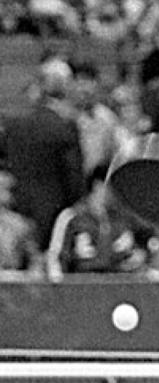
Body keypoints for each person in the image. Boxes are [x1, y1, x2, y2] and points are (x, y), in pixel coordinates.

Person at [2, 57, 87, 248]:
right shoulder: (65, 127)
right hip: (55, 218)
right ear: (65, 88)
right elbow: (74, 180)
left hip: (18, 213)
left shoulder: (15, 125)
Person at [47, 162, 153, 279]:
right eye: (114, 186)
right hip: (82, 285)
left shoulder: (126, 218)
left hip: (118, 286)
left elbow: (149, 242)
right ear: (98, 186)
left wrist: (142, 256)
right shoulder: (72, 217)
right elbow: (56, 258)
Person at [0, 168, 42, 273]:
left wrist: (32, 276)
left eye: (7, 189)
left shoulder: (20, 225)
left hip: (11, 282)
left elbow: (35, 259)